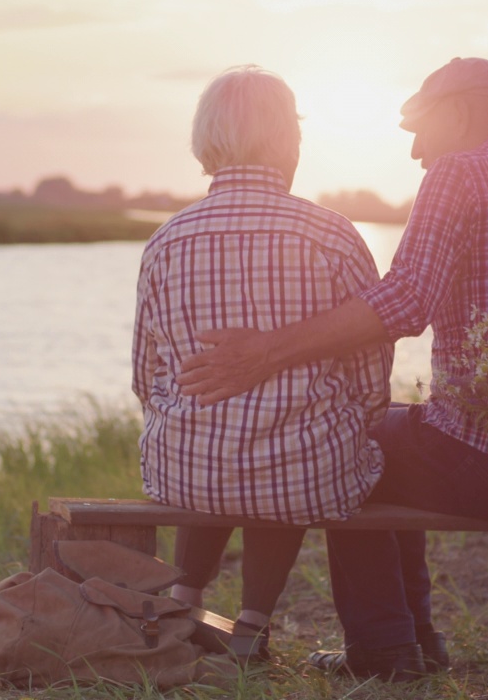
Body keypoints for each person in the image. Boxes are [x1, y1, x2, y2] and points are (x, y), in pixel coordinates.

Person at [176, 57, 488, 680]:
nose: (418, 151)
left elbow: (407, 299)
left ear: (459, 112)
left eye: (421, 129)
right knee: (394, 433)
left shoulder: (458, 173)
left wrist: (266, 351)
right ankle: (418, 642)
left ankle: (386, 651)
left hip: (484, 466)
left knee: (348, 446)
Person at [132, 65, 394, 661]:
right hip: (302, 471)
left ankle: (183, 596)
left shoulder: (168, 240)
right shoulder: (332, 234)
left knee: (226, 445)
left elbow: (145, 375)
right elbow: (372, 366)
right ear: (287, 142)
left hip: (183, 468)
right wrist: (355, 414)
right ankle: (250, 625)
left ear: (205, 144)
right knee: (287, 451)